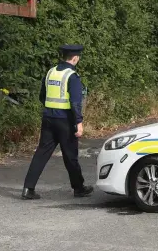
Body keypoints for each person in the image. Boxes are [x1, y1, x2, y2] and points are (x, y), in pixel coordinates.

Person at [22, 44, 94, 199]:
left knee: (41, 153)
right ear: (75, 58)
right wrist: (79, 123)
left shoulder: (50, 72)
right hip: (65, 122)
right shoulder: (72, 76)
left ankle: (28, 189)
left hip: (48, 118)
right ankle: (79, 188)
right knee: (70, 156)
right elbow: (75, 103)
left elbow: (42, 96)